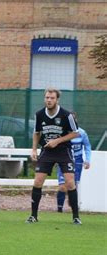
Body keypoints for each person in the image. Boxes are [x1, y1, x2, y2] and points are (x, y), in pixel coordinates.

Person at [27, 88, 81, 225]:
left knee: (70, 182)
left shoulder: (66, 115)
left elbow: (75, 133)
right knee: (38, 181)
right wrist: (34, 149)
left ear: (57, 100)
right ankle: (33, 216)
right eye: (47, 98)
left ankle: (76, 217)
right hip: (47, 151)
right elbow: (37, 133)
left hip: (64, 150)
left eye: (52, 98)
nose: (49, 100)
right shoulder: (39, 114)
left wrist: (57, 141)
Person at [56, 112, 91, 212]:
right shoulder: (62, 133)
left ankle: (73, 208)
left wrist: (87, 160)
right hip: (64, 160)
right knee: (63, 186)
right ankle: (59, 210)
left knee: (73, 186)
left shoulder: (82, 133)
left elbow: (87, 146)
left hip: (78, 162)